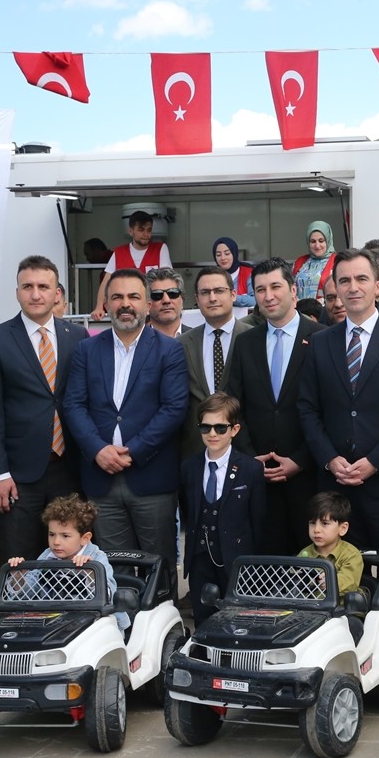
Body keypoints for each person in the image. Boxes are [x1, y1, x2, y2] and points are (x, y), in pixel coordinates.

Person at [297, 248, 379, 624]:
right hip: (335, 481)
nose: (352, 287)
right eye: (344, 281)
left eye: (360, 279)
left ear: (377, 285)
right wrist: (329, 457)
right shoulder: (321, 342)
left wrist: (375, 461)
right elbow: (307, 408)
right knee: (334, 582)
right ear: (335, 288)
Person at [62, 268, 188, 588]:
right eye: (117, 297)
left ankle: (163, 634)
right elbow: (73, 405)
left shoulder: (169, 349)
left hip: (151, 477)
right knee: (114, 574)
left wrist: (134, 451)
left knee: (158, 569)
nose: (125, 304)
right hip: (100, 479)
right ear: (106, 304)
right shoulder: (87, 349)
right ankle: (123, 633)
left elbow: (173, 409)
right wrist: (97, 450)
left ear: (147, 305)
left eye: (134, 296)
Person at [0, 256, 86, 561]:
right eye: (28, 286)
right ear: (17, 292)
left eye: (43, 287)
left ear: (57, 294)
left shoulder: (77, 337)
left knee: (68, 558)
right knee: (19, 558)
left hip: (69, 468)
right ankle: (21, 611)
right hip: (18, 475)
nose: (35, 294)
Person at [225, 258, 322, 555]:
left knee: (310, 566)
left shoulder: (322, 338)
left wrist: (301, 460)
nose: (268, 296)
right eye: (260, 289)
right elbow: (233, 403)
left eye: (276, 287)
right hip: (258, 473)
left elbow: (331, 407)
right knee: (266, 561)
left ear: (293, 290)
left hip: (309, 473)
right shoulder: (245, 343)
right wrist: (251, 456)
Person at [180, 393, 266, 619]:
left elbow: (258, 521)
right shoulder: (190, 467)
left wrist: (252, 565)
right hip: (200, 560)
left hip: (236, 562)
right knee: (202, 619)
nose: (212, 434)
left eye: (220, 428)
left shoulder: (251, 469)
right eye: (205, 428)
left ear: (234, 430)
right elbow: (190, 512)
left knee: (237, 621)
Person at [6, 494, 129, 631]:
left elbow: (109, 596)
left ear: (85, 538)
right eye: (52, 534)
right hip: (56, 622)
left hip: (97, 622)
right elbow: (29, 593)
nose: (56, 542)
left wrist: (90, 573)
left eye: (65, 536)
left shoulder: (97, 558)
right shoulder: (47, 556)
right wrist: (19, 576)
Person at [179, 266, 253, 461]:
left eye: (219, 291)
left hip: (244, 450)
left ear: (233, 294)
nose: (212, 298)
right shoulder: (182, 344)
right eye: (205, 292)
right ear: (197, 298)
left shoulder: (254, 338)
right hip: (194, 451)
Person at [91, 210, 172, 320]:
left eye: (149, 230)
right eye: (141, 230)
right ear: (131, 231)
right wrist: (99, 307)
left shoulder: (161, 249)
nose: (146, 234)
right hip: (126, 312)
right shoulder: (119, 252)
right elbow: (106, 282)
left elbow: (167, 281)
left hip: (154, 311)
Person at [298, 492, 364, 600]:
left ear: (342, 528)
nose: (316, 530)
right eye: (312, 523)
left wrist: (330, 581)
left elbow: (349, 582)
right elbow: (293, 582)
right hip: (310, 609)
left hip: (342, 611)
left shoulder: (351, 554)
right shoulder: (304, 554)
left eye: (324, 523)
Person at [293, 220, 337, 301]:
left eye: (321, 241)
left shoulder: (337, 262)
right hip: (299, 310)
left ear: (328, 240)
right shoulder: (300, 262)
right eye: (313, 241)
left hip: (325, 311)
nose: (317, 245)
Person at [145, 267, 191, 338]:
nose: (166, 300)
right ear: (147, 305)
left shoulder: (200, 339)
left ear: (182, 299)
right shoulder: (135, 343)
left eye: (172, 293)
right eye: (157, 295)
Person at [212, 237, 256, 308]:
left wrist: (231, 298)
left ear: (234, 253)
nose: (223, 258)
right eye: (218, 255)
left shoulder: (248, 272)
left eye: (227, 253)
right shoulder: (212, 276)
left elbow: (255, 299)